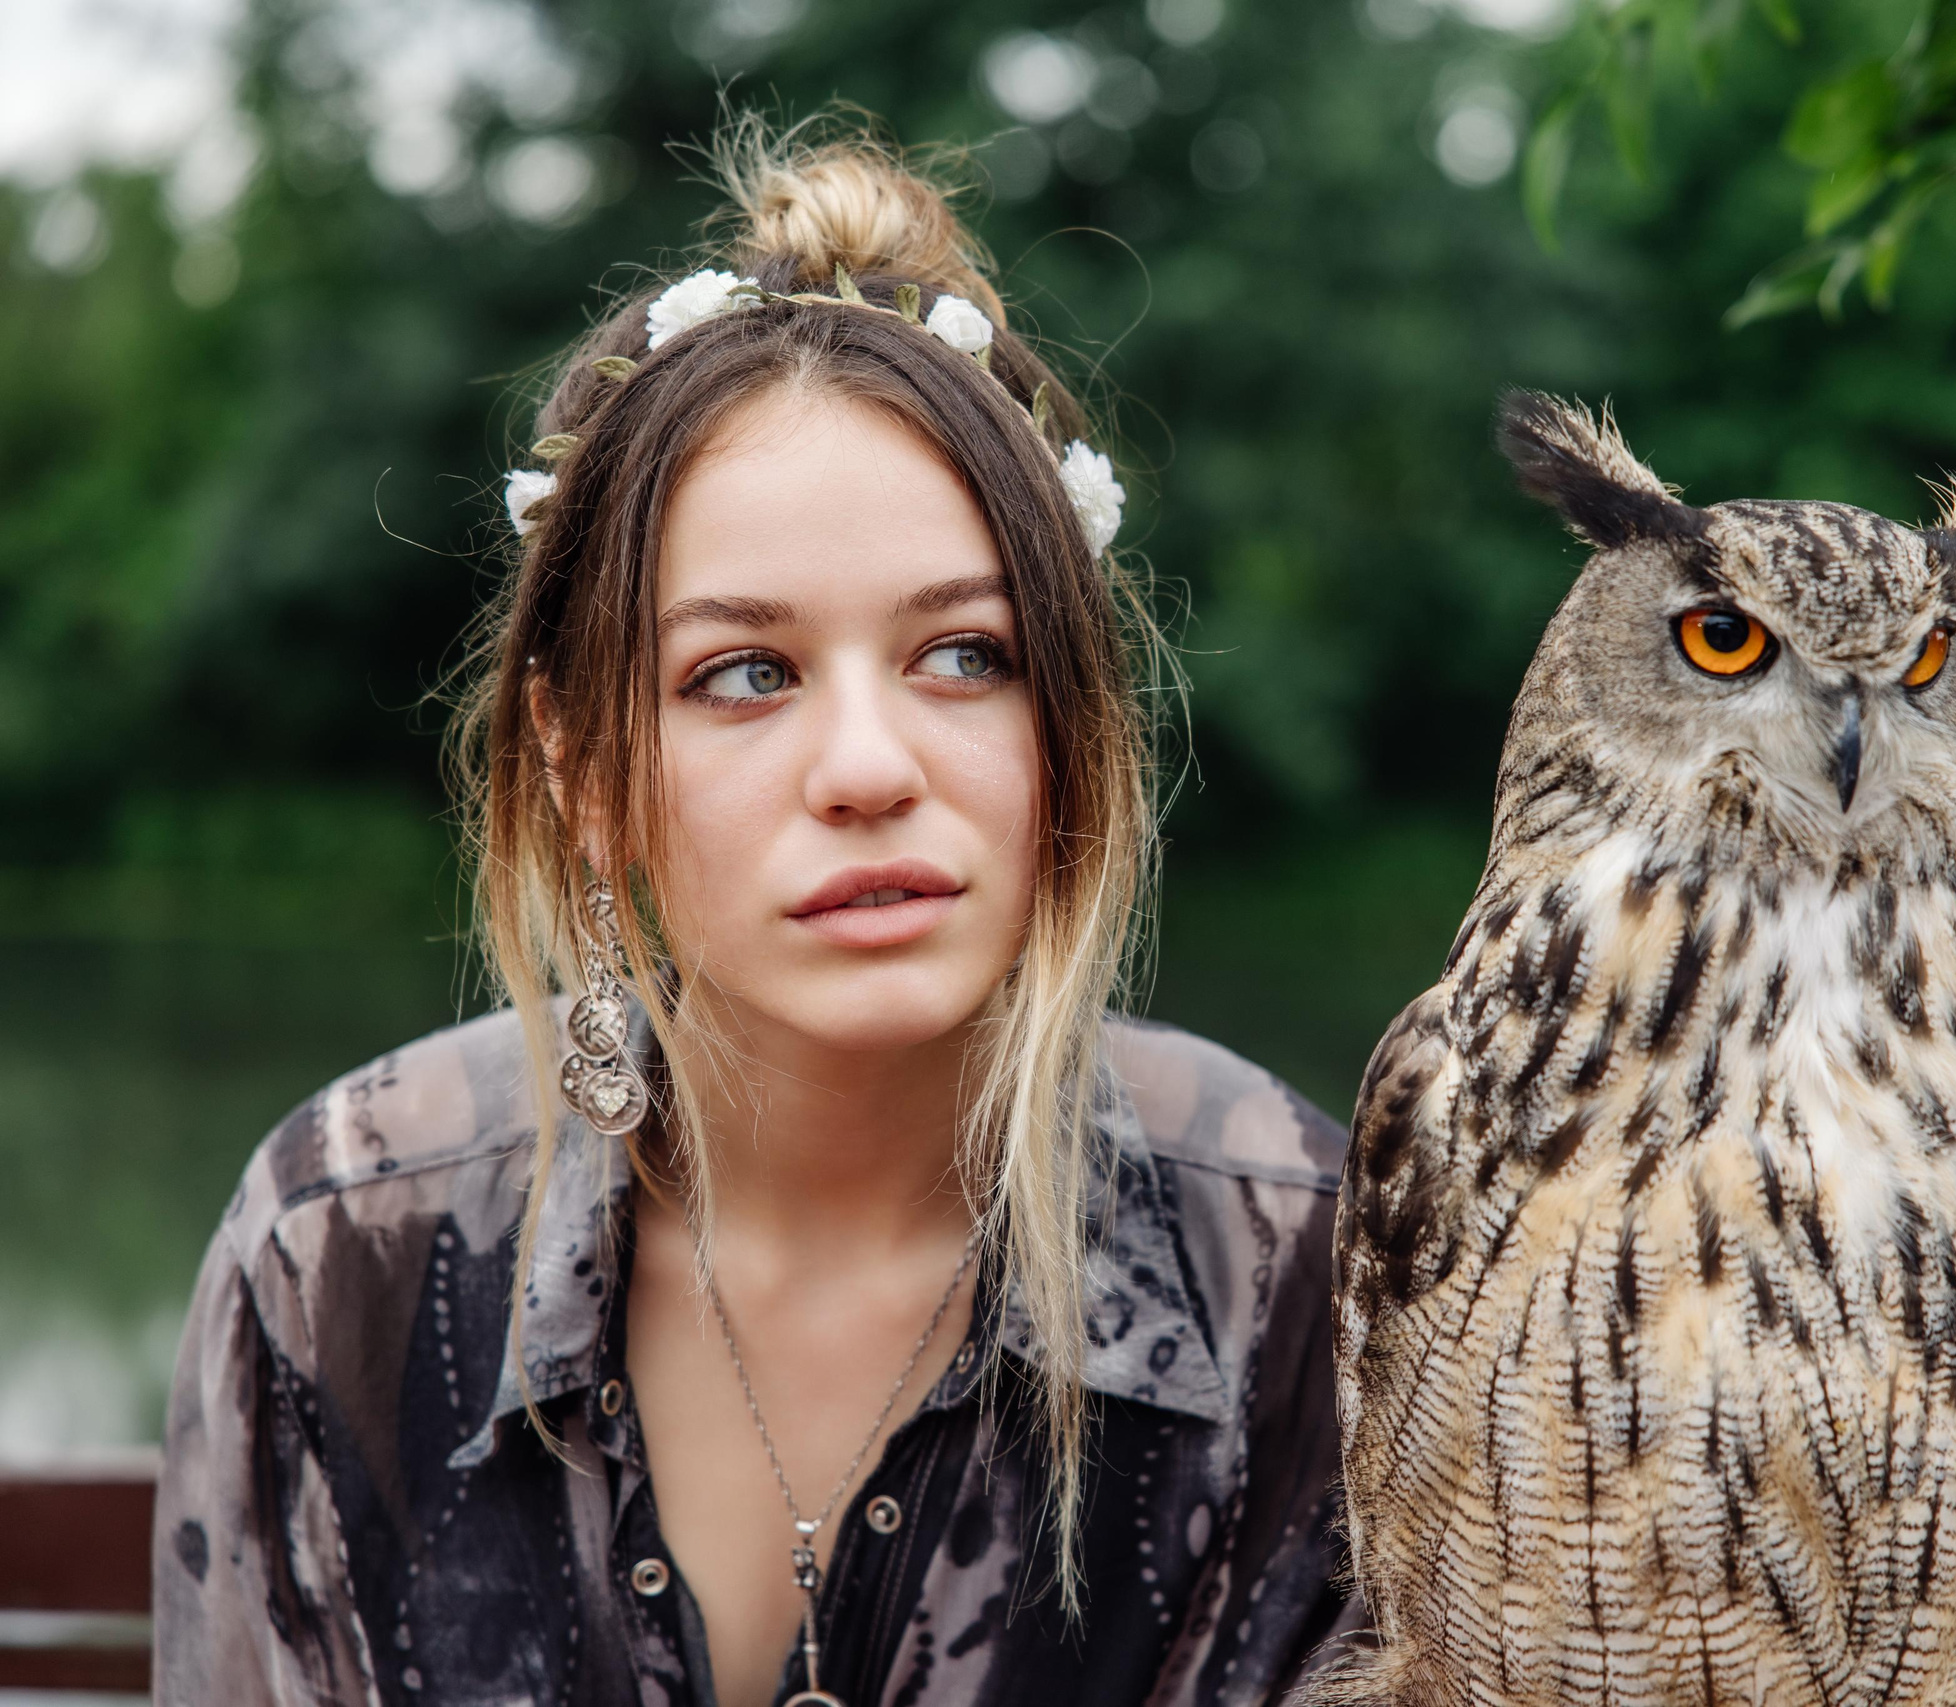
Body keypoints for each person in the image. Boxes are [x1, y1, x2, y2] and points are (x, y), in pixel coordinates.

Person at [152, 123, 1355, 1707]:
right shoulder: (349, 1246)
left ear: (1069, 726)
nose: (867, 767)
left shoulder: (1295, 1263)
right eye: (744, 675)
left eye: (964, 655)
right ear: (586, 774)